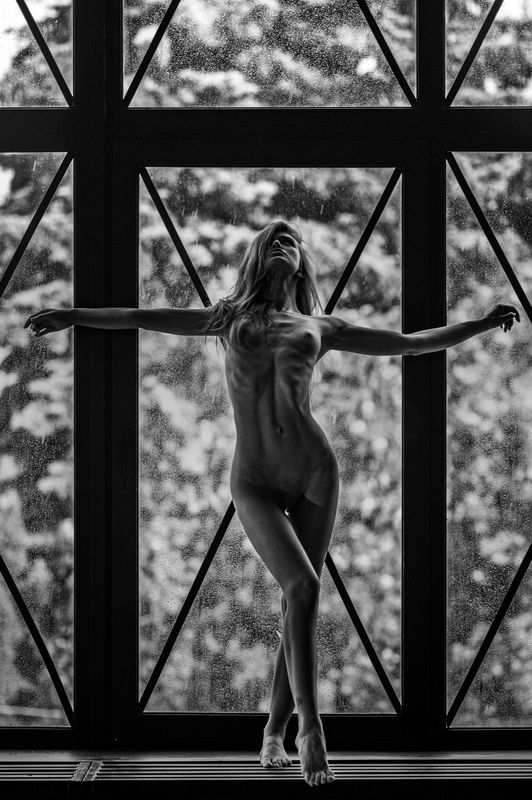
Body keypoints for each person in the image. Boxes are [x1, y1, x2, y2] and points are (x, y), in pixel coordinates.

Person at [24, 219, 520, 787]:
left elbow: (411, 343)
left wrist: (482, 324)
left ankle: (273, 731)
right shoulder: (229, 317)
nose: (283, 245)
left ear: (302, 263)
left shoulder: (320, 326)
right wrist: (70, 315)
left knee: (298, 598)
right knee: (302, 587)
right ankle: (310, 727)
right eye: (273, 240)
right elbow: (137, 316)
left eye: (292, 241)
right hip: (254, 479)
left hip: (315, 471)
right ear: (259, 258)